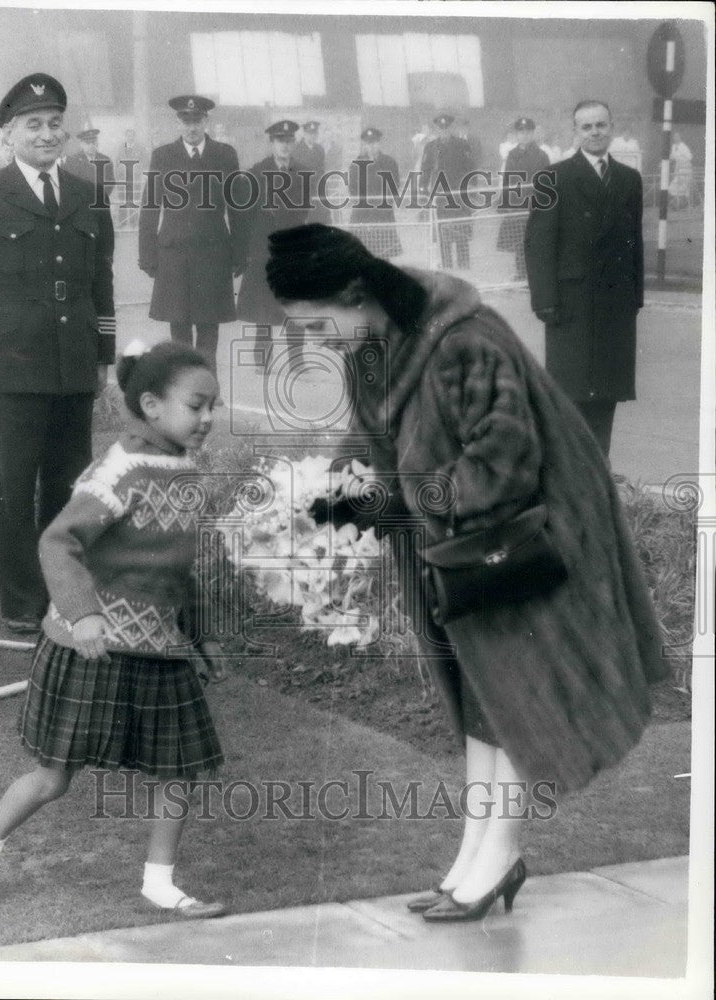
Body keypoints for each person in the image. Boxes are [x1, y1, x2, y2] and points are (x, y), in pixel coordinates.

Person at [265, 222, 666, 922]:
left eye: (315, 320)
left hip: (528, 538)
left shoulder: (466, 341)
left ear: (355, 293)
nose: (314, 338)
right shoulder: (375, 338)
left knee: (505, 701)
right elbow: (369, 432)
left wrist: (393, 498)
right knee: (481, 699)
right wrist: (338, 484)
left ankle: (497, 854)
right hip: (463, 542)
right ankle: (477, 855)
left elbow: (502, 466)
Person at [0, 341, 229, 921]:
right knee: (53, 778)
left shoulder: (187, 471)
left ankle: (159, 882)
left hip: (161, 649)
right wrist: (83, 614)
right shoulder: (119, 470)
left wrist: (203, 637)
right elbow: (59, 541)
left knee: (178, 772)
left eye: (215, 408)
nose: (207, 419)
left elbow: (178, 567)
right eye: (197, 405)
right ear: (152, 405)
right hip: (91, 649)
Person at [0, 73, 115, 633]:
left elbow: (101, 281)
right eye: (34, 125)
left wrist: (103, 358)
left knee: (70, 486)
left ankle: (64, 593)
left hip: (73, 361)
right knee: (16, 487)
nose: (47, 134)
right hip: (12, 364)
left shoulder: (89, 194)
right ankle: (20, 601)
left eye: (54, 124)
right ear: (7, 134)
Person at [524, 100, 643, 457]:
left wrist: (635, 297)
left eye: (600, 125)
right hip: (570, 305)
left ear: (611, 127)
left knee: (606, 395)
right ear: (575, 132)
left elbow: (634, 242)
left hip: (614, 306)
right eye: (586, 127)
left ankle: (599, 471)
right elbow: (538, 244)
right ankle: (570, 476)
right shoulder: (552, 177)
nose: (595, 133)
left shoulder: (629, 179)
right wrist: (544, 301)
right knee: (570, 397)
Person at [138, 95, 245, 378]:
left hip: (213, 252)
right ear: (178, 123)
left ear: (206, 121)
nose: (192, 127)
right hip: (174, 253)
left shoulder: (225, 154)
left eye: (197, 120)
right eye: (186, 121)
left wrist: (240, 252)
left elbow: (237, 208)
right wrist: (147, 254)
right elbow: (150, 207)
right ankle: (184, 384)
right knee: (179, 323)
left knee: (209, 324)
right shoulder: (162, 155)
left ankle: (208, 384)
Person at [235, 120, 309, 370]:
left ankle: (297, 360)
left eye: (289, 142)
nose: (285, 146)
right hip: (263, 250)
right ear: (272, 143)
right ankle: (262, 360)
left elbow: (305, 213)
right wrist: (248, 251)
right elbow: (245, 216)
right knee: (263, 308)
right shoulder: (257, 173)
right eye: (280, 141)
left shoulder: (302, 173)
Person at [496, 117, 550, 281]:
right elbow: (507, 179)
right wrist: (504, 201)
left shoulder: (541, 155)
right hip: (517, 205)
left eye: (527, 133)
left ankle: (534, 275)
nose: (524, 136)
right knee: (518, 240)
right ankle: (521, 274)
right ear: (516, 134)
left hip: (534, 204)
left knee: (534, 241)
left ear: (533, 134)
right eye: (521, 133)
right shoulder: (512, 154)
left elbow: (547, 182)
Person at [420, 112, 475, 270]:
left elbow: (471, 170)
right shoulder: (430, 147)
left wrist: (470, 191)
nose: (444, 131)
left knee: (461, 237)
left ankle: (464, 270)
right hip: (441, 199)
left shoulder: (462, 145)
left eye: (447, 128)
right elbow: (425, 172)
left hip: (459, 198)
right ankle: (447, 269)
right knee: (444, 237)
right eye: (440, 128)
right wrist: (424, 195)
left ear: (451, 128)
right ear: (436, 129)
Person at [347, 127, 403, 259]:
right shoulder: (356, 164)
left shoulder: (389, 162)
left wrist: (383, 200)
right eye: (368, 143)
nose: (372, 147)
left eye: (374, 143)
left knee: (384, 253)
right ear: (364, 145)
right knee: (363, 252)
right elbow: (352, 188)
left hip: (382, 213)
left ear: (379, 143)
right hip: (362, 214)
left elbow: (395, 185)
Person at [65, 127, 116, 203]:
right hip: (80, 203)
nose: (91, 146)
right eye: (88, 143)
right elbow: (69, 183)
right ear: (82, 144)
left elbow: (110, 181)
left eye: (94, 142)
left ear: (97, 143)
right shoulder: (73, 160)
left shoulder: (106, 160)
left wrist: (101, 196)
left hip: (100, 202)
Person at [294, 120, 328, 224]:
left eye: (314, 133)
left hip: (316, 190)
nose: (312, 136)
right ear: (304, 134)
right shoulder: (296, 150)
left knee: (317, 219)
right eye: (309, 133)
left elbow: (321, 170)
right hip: (301, 191)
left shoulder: (320, 150)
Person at [668, 131, 693, 210]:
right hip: (678, 170)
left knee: (684, 188)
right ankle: (678, 205)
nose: (675, 138)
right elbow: (672, 157)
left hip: (685, 170)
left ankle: (684, 205)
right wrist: (664, 162)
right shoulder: (673, 146)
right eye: (674, 137)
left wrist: (681, 160)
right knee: (672, 188)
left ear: (680, 138)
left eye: (677, 137)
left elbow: (690, 157)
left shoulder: (684, 147)